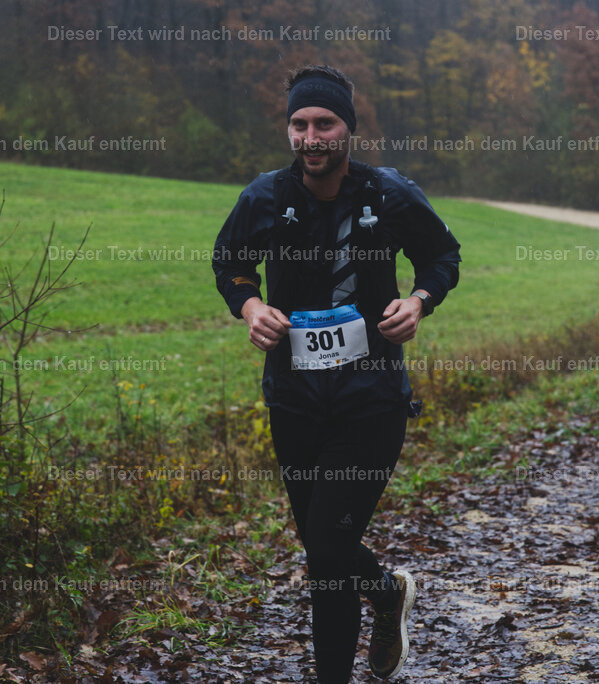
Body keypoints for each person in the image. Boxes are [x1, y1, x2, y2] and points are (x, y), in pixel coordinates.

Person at [212, 65, 460, 682]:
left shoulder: (389, 193)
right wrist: (250, 306)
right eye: (299, 124)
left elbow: (442, 256)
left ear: (349, 130)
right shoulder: (265, 197)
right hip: (294, 398)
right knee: (326, 548)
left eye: (324, 123)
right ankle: (384, 591)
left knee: (326, 551)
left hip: (370, 398)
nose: (310, 136)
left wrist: (419, 301)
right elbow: (230, 264)